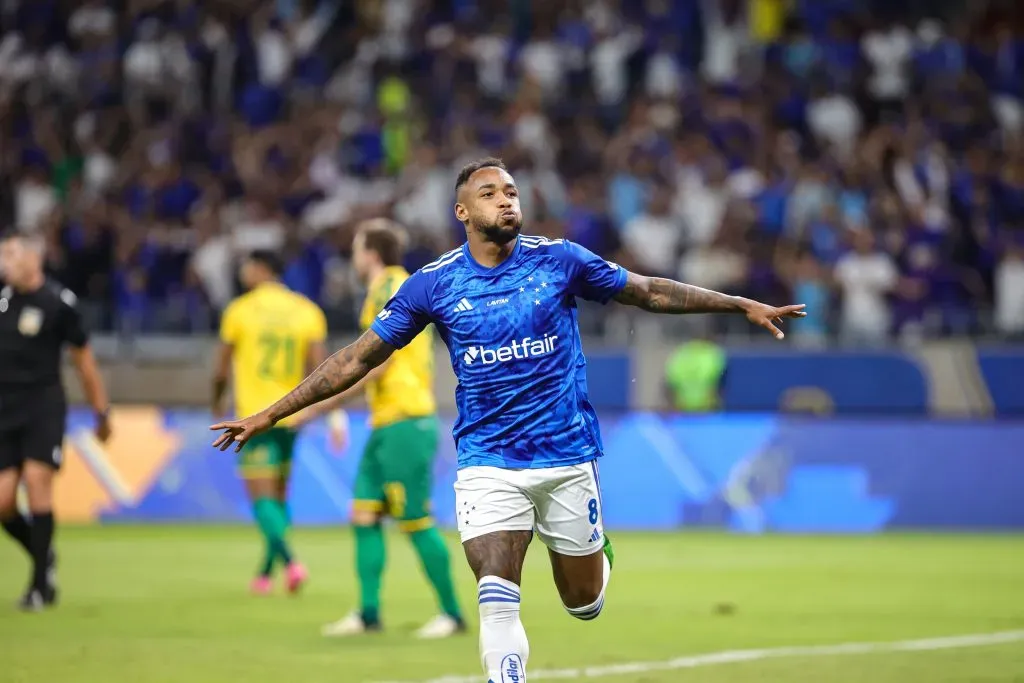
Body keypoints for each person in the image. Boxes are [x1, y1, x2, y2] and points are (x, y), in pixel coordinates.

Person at [211, 158, 805, 681]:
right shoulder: (434, 285)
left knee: (584, 603)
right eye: (492, 192)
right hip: (488, 463)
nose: (507, 199)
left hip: (568, 455)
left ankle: (597, 553)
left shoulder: (560, 260)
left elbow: (647, 290)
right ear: (463, 211)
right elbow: (356, 358)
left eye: (512, 191)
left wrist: (736, 303)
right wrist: (270, 413)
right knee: (497, 595)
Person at [313, 218, 465, 639]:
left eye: (357, 249)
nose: (353, 258)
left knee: (415, 520)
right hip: (385, 423)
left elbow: (381, 360)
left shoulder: (391, 287)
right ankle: (368, 613)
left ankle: (452, 614)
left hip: (406, 419)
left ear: (371, 254)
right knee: (364, 514)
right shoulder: (386, 289)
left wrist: (332, 398)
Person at [212, 249, 337, 595]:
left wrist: (216, 402)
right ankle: (265, 574)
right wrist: (322, 411)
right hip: (291, 415)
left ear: (262, 269)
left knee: (262, 500)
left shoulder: (239, 310)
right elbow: (321, 369)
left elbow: (221, 367)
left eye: (248, 267)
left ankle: (292, 562)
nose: (244, 273)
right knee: (279, 499)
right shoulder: (306, 311)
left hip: (255, 416)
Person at [0, 231, 111, 611]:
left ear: (34, 258)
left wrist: (101, 411)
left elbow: (84, 361)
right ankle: (43, 554)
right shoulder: (1, 303)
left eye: (11, 255)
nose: (4, 263)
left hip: (42, 407)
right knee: (2, 501)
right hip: (4, 410)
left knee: (37, 482)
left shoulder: (59, 303)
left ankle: (38, 588)